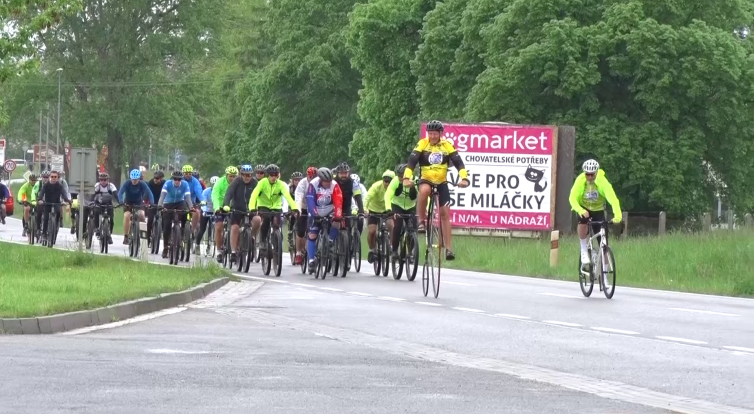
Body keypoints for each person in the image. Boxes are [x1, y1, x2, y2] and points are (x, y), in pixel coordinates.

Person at [403, 120, 469, 260]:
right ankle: (421, 220)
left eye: (435, 134)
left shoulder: (447, 145)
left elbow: (459, 163)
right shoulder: (423, 143)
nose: (432, 136)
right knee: (425, 190)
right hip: (426, 178)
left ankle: (449, 249)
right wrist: (406, 178)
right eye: (430, 133)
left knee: (445, 213)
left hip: (441, 182)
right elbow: (412, 161)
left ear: (440, 134)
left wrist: (464, 178)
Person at [568, 159, 622, 266]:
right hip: (584, 208)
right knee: (582, 220)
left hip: (598, 210)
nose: (590, 177)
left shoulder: (603, 182)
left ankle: (605, 276)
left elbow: (613, 199)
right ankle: (584, 249)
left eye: (592, 175)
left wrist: (618, 215)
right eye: (587, 174)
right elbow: (572, 198)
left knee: (604, 244)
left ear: (596, 172)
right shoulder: (580, 180)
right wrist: (580, 210)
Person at [249, 164, 298, 256]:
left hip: (276, 206)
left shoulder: (281, 184)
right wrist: (252, 207)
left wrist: (294, 207)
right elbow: (254, 195)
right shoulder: (262, 182)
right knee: (266, 220)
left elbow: (287, 197)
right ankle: (263, 241)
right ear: (268, 175)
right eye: (271, 175)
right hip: (263, 205)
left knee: (277, 223)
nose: (273, 177)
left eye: (275, 175)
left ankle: (276, 242)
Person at [305, 167, 343, 272]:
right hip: (316, 211)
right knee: (312, 235)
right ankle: (311, 261)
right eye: (326, 182)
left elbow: (338, 200)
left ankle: (330, 241)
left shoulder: (335, 185)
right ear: (320, 180)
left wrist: (338, 215)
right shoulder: (313, 184)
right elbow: (310, 200)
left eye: (329, 181)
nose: (328, 184)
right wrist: (314, 214)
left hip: (329, 210)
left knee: (337, 223)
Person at [221, 164, 258, 265]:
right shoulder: (236, 181)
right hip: (237, 209)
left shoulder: (255, 182)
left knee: (258, 220)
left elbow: (260, 194)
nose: (247, 177)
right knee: (235, 228)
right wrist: (226, 205)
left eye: (249, 175)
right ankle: (233, 252)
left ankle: (252, 238)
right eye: (245, 175)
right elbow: (229, 193)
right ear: (241, 175)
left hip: (250, 209)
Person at [385, 163, 418, 260]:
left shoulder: (414, 180)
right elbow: (388, 195)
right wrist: (388, 209)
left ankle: (410, 252)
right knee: (397, 226)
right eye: (399, 176)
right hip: (397, 205)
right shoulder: (395, 181)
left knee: (413, 229)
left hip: (411, 206)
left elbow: (424, 196)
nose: (400, 178)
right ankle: (394, 250)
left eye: (402, 176)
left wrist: (426, 208)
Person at [158, 171, 194, 258]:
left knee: (186, 213)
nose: (177, 181)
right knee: (166, 226)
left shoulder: (185, 184)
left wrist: (191, 207)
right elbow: (162, 196)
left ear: (181, 179)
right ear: (172, 179)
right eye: (175, 179)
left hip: (180, 203)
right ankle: (166, 247)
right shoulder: (167, 184)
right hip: (168, 203)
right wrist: (160, 205)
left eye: (179, 179)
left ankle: (182, 232)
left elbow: (188, 197)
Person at [364, 170, 395, 263]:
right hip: (373, 210)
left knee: (391, 226)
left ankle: (392, 246)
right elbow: (367, 198)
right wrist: (365, 209)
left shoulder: (395, 188)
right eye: (385, 181)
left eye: (390, 182)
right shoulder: (376, 186)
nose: (387, 183)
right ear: (382, 180)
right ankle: (371, 250)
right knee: (372, 231)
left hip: (387, 210)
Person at [118, 169, 154, 245]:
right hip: (128, 202)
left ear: (139, 179)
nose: (134, 181)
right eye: (133, 179)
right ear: (130, 178)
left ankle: (143, 234)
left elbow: (149, 193)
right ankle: (126, 236)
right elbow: (120, 193)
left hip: (138, 202)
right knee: (127, 216)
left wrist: (152, 203)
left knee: (142, 215)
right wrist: (121, 201)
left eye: (136, 179)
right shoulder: (127, 183)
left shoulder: (142, 184)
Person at [211, 166, 238, 263]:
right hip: (221, 207)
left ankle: (235, 248)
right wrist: (217, 207)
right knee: (219, 227)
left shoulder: (237, 183)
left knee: (236, 226)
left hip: (233, 207)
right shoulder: (220, 182)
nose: (232, 178)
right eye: (231, 176)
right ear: (226, 175)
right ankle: (219, 251)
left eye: (234, 176)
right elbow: (215, 195)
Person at [37, 170, 71, 244]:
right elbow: (42, 192)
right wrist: (40, 199)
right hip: (47, 204)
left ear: (57, 177)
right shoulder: (46, 185)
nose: (53, 178)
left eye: (55, 177)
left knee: (58, 214)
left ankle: (55, 227)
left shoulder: (59, 186)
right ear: (50, 177)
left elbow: (64, 194)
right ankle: (44, 234)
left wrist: (67, 200)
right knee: (45, 218)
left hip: (57, 204)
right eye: (52, 177)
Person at [293, 166, 317, 265]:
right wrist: (298, 210)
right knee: (301, 231)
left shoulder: (319, 182)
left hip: (315, 208)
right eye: (310, 177)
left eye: (314, 177)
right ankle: (298, 253)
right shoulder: (303, 183)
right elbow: (298, 197)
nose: (312, 179)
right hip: (303, 207)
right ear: (307, 176)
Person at [86, 172, 118, 244]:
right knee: (96, 213)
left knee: (111, 219)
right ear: (99, 180)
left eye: (105, 180)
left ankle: (109, 234)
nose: (103, 181)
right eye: (101, 180)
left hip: (108, 204)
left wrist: (120, 202)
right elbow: (93, 195)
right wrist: (92, 202)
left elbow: (116, 195)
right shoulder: (97, 186)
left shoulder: (111, 186)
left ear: (108, 180)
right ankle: (97, 228)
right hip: (99, 204)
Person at [333, 162, 364, 231]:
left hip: (347, 207)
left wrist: (361, 211)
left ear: (348, 173)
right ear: (337, 174)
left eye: (345, 173)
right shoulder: (333, 182)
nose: (343, 175)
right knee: (333, 227)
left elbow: (358, 197)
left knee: (348, 228)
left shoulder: (353, 183)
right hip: (334, 207)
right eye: (341, 173)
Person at [195, 175, 218, 253]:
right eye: (213, 185)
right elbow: (203, 202)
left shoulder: (220, 191)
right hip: (206, 210)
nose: (215, 187)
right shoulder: (206, 191)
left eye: (216, 185)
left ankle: (209, 246)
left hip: (215, 211)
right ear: (211, 185)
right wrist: (204, 210)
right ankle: (197, 245)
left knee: (213, 228)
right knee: (202, 229)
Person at [181, 165, 204, 234]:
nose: (188, 175)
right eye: (186, 173)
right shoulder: (180, 180)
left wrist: (202, 200)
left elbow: (198, 191)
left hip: (191, 202)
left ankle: (192, 230)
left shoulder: (195, 181)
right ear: (183, 173)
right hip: (180, 201)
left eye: (190, 174)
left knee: (196, 212)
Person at [146, 171, 165, 245]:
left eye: (157, 178)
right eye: (154, 178)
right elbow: (148, 193)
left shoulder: (164, 183)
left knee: (165, 218)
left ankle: (162, 232)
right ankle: (148, 238)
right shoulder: (151, 183)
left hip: (162, 203)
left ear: (161, 179)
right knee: (150, 220)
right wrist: (148, 203)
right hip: (152, 202)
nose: (155, 180)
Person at [30, 171, 51, 237]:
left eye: (47, 177)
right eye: (44, 177)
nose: (45, 179)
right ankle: (38, 228)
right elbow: (33, 192)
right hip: (40, 201)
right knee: (39, 212)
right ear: (41, 177)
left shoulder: (51, 184)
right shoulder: (38, 183)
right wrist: (33, 200)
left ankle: (51, 227)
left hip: (48, 202)